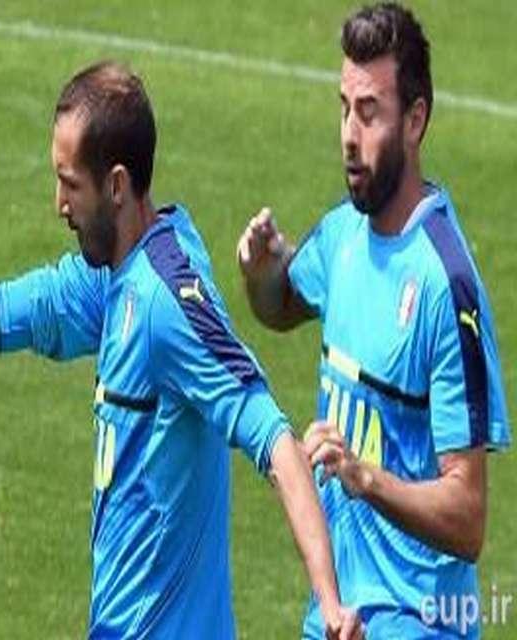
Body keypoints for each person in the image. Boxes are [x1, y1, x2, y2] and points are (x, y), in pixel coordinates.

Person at [0, 61, 361, 638]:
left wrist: (330, 603)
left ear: (117, 186)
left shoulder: (166, 303)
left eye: (71, 184)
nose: (58, 203)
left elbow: (274, 439)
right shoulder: (111, 277)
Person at [236, 3, 510, 638]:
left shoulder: (445, 286)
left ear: (415, 120)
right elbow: (280, 306)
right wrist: (260, 274)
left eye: (369, 113)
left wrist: (366, 478)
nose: (349, 136)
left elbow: (468, 517)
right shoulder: (344, 235)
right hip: (337, 618)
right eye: (343, 109)